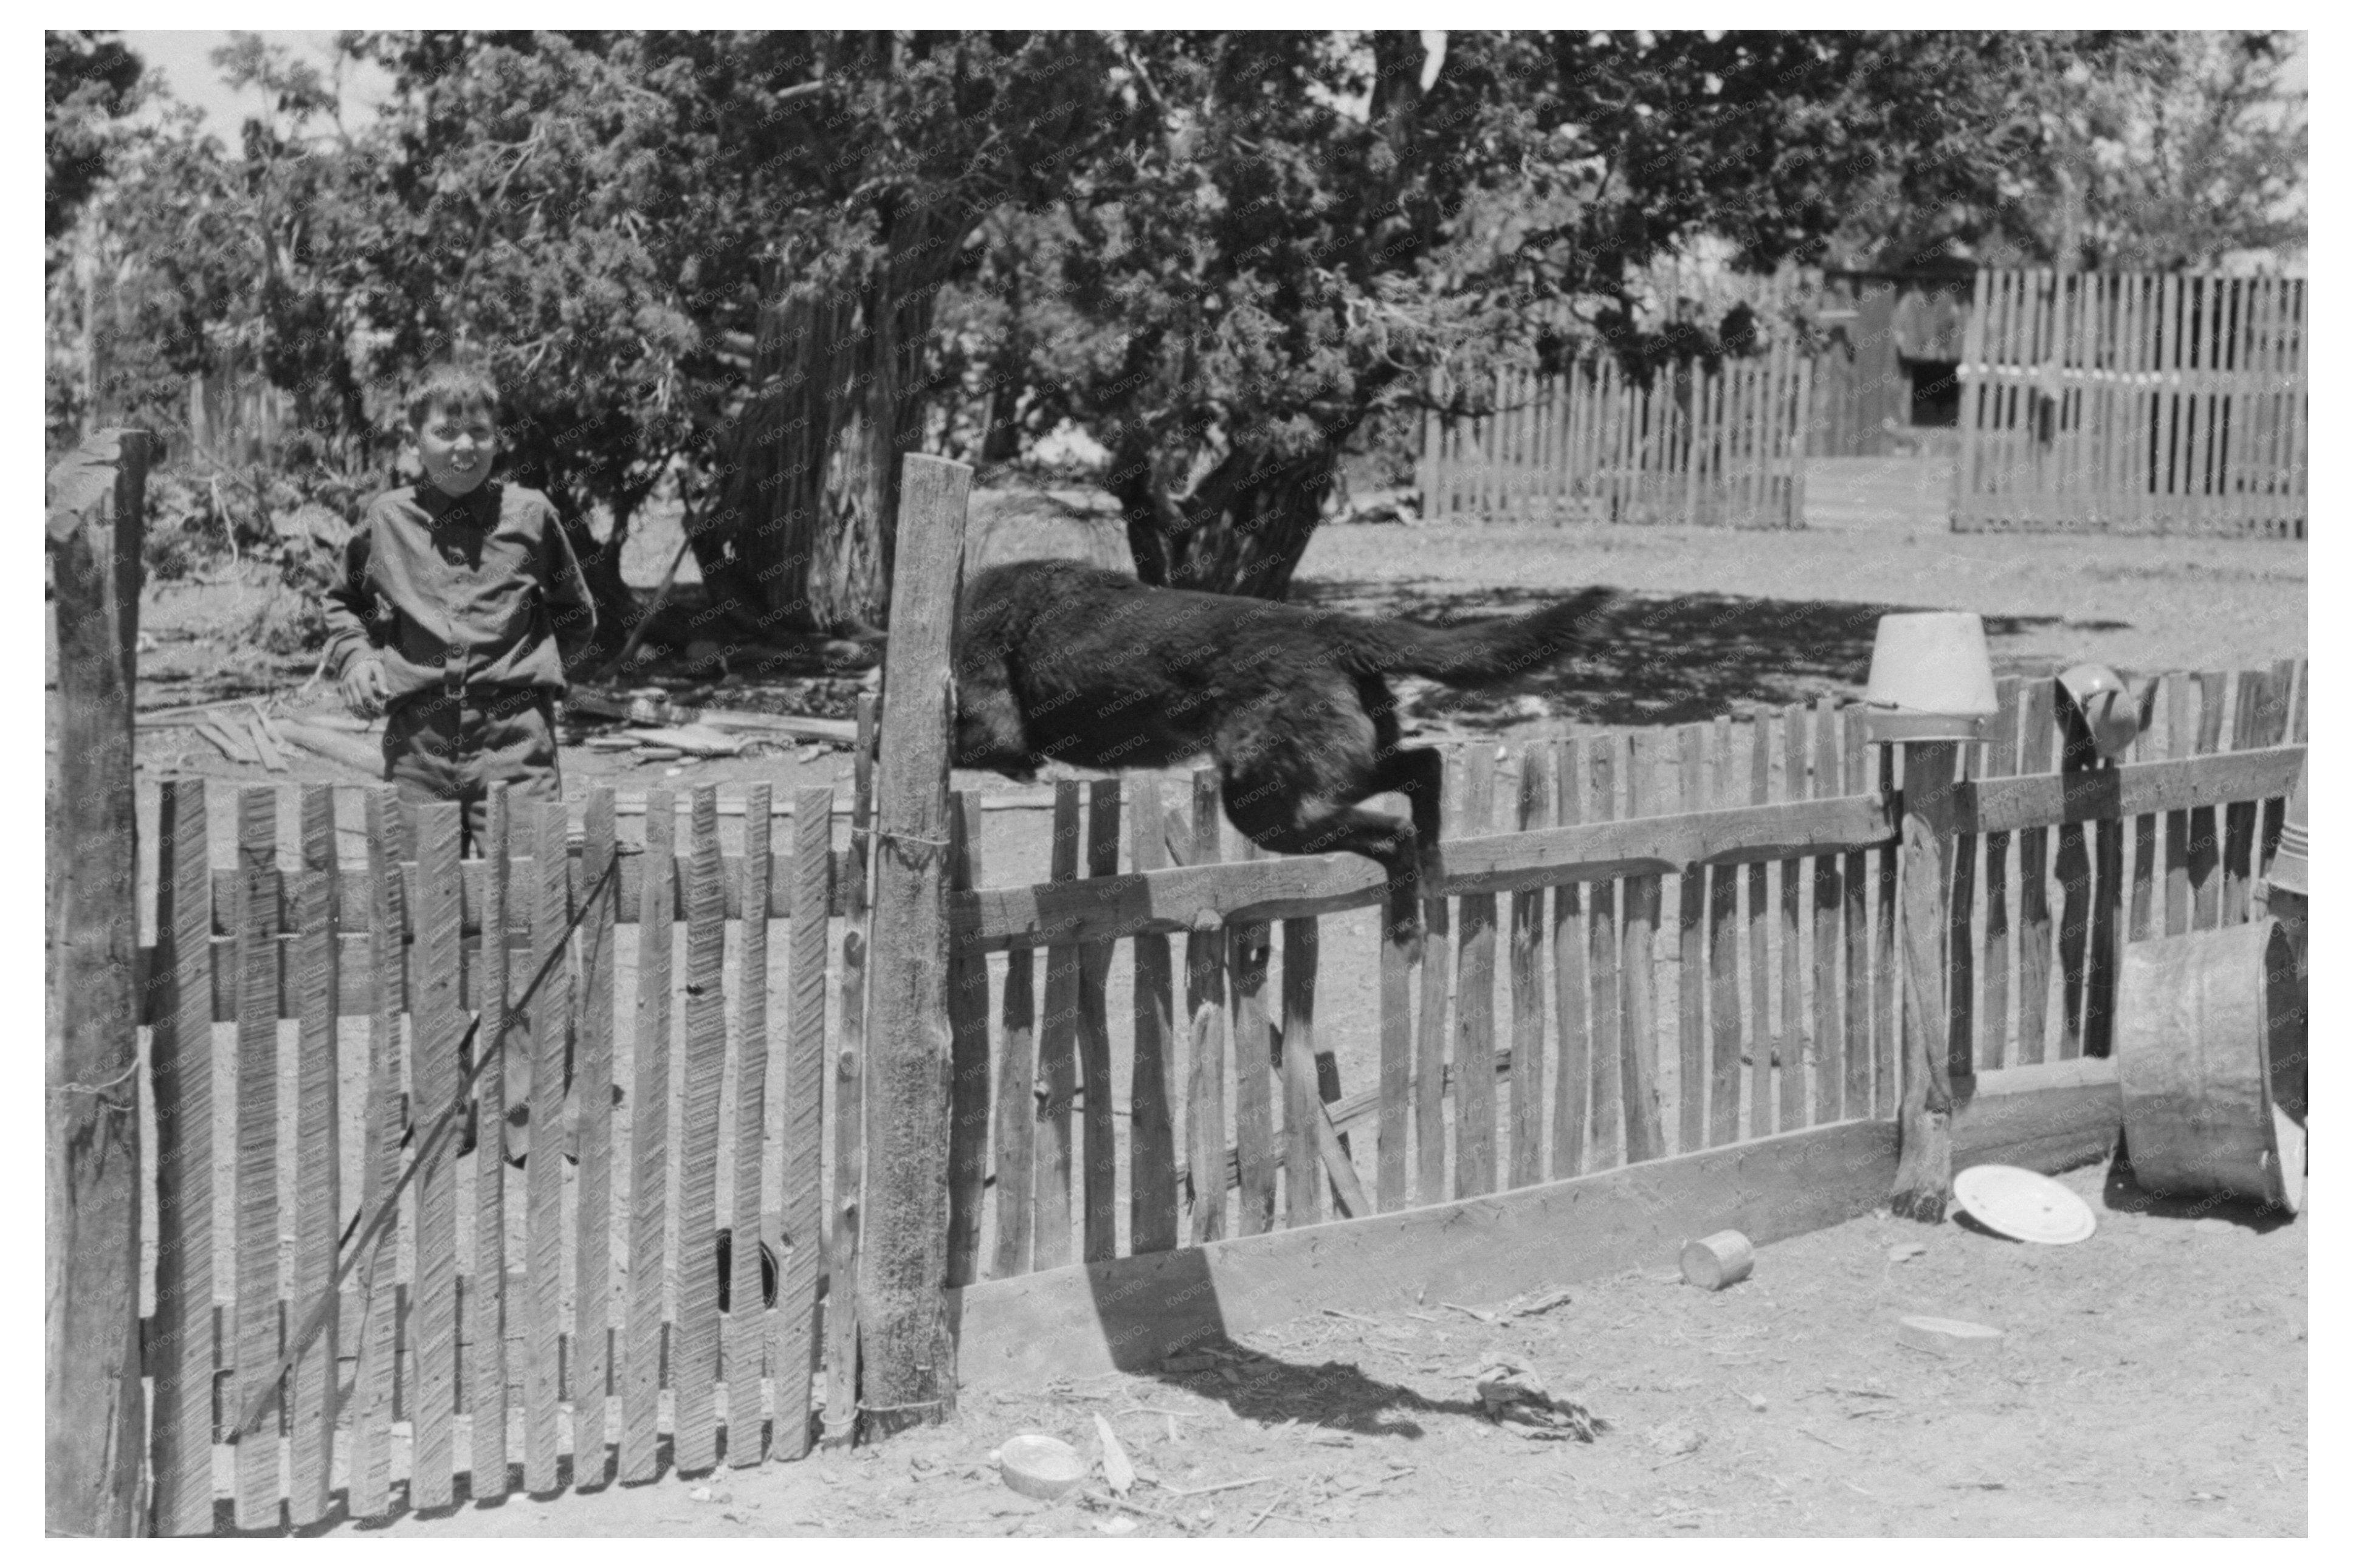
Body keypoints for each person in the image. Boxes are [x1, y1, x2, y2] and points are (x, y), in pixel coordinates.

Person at [324, 363, 599, 1164]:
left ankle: (532, 1110)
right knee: (427, 921)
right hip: (421, 748)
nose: (464, 446)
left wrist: (530, 679)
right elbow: (352, 605)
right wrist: (358, 659)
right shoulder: (387, 522)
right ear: (414, 438)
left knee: (530, 919)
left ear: (497, 436)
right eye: (446, 430)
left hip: (517, 744)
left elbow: (574, 613)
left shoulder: (530, 517)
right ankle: (444, 1106)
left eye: (479, 430)